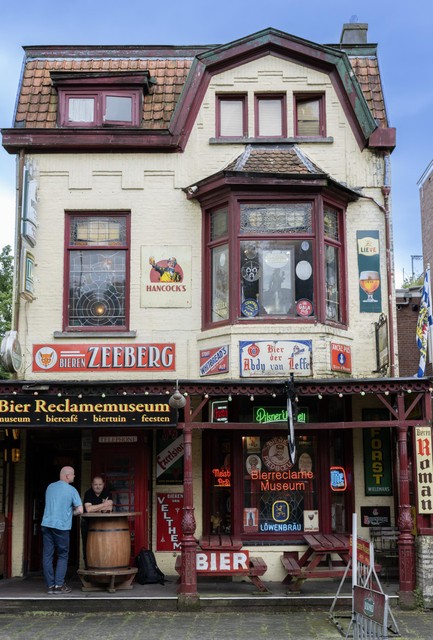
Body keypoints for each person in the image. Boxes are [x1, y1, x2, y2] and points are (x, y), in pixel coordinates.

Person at [41, 466, 83, 595]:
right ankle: (59, 585)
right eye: (73, 474)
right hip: (61, 527)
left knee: (47, 555)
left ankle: (50, 586)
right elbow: (80, 510)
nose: (74, 476)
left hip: (46, 524)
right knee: (63, 555)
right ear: (67, 476)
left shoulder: (50, 487)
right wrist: (72, 512)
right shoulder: (72, 490)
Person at [81, 476, 113, 568]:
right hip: (87, 523)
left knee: (103, 545)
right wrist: (104, 505)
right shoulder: (88, 493)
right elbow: (88, 509)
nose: (98, 486)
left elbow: (110, 508)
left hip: (103, 523)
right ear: (92, 485)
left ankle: (104, 566)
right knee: (87, 546)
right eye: (95, 484)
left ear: (103, 485)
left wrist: (95, 508)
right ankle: (88, 568)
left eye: (100, 484)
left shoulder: (107, 492)